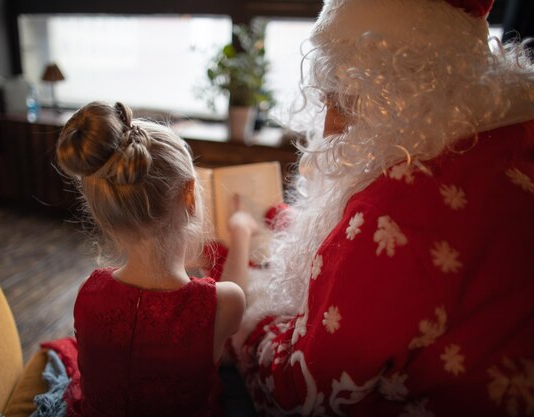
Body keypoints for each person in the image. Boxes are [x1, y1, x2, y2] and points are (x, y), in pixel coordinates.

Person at [217, 0, 534, 415]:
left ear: (404, 89)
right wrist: (280, 220)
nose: (330, 127)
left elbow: (302, 388)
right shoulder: (506, 137)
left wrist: (247, 321)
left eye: (346, 100)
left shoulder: (393, 210)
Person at [53, 101, 246, 417]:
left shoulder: (89, 291)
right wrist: (241, 237)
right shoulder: (223, 302)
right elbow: (228, 316)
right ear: (189, 195)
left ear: (104, 218)